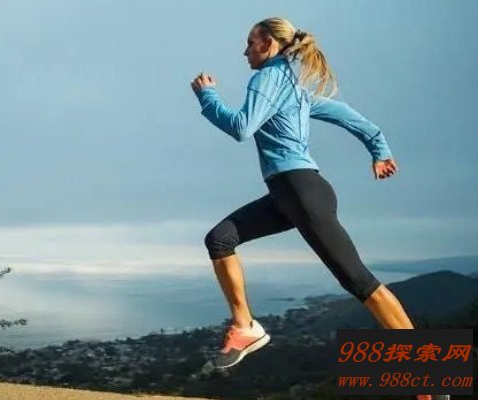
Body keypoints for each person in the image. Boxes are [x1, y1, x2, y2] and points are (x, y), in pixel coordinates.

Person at [190, 17, 448, 400]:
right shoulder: (292, 86)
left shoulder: (268, 78)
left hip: (301, 193)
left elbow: (242, 127)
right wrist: (379, 149)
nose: (244, 52)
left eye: (250, 43)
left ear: (269, 44)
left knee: (361, 283)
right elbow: (346, 114)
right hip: (291, 194)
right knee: (220, 239)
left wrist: (207, 97)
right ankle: (245, 326)